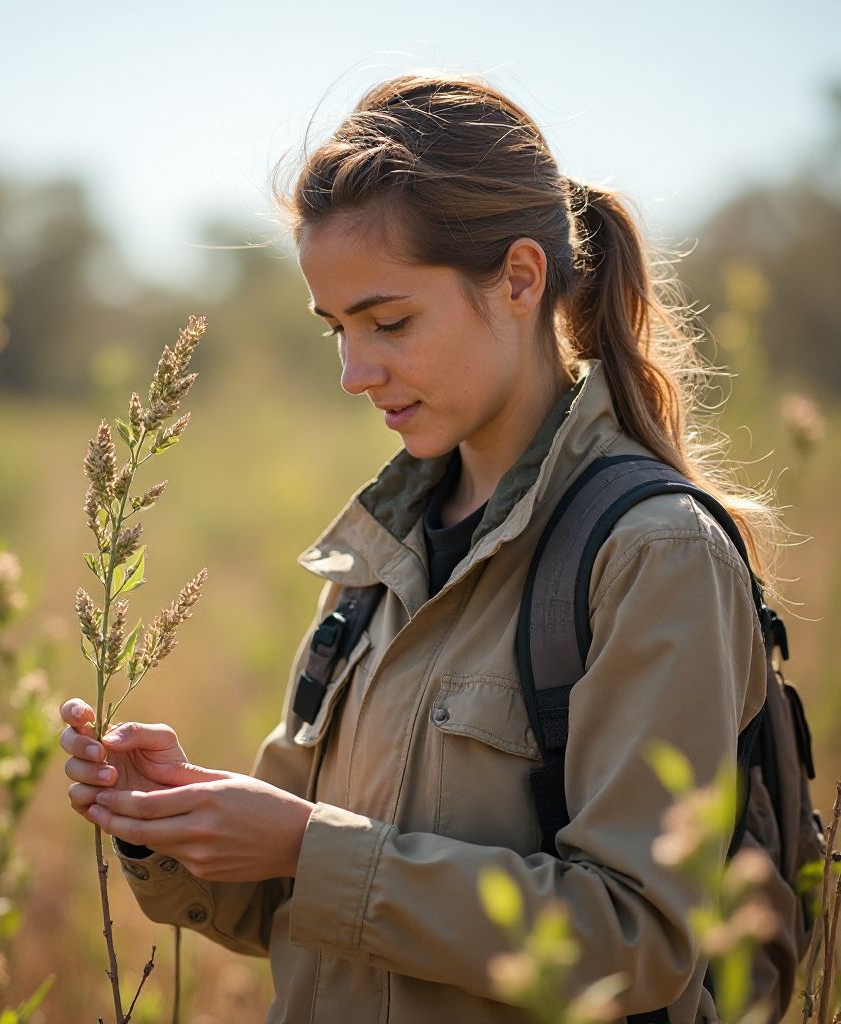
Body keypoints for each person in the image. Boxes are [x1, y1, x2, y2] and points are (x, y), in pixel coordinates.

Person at [59, 73, 783, 1023]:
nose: (355, 372)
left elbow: (637, 940)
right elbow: (294, 910)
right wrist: (170, 818)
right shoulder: (374, 555)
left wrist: (306, 845)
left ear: (519, 279)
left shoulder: (655, 555)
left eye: (389, 322)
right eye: (337, 329)